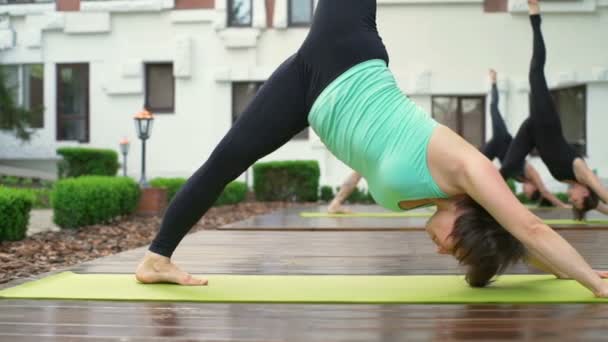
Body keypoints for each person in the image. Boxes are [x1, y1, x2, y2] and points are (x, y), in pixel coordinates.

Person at [135, 0, 608, 298]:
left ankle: (156, 258)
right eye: (457, 250)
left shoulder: (447, 202)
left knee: (223, 163)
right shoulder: (469, 169)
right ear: (468, 223)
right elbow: (528, 225)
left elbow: (519, 243)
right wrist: (592, 282)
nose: (444, 253)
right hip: (349, 54)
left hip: (308, 91)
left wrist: (566, 273)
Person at [500, 1, 608, 220]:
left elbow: (595, 205)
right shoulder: (580, 170)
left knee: (509, 167)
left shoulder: (576, 184)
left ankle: (477, 199)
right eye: (575, 199)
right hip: (546, 121)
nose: (571, 199)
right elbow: (601, 192)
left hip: (534, 132)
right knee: (535, 72)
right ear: (586, 190)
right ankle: (535, 15)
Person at [482, 69, 568, 208]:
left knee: (477, 162)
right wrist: (564, 206)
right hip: (502, 137)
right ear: (534, 188)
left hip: (494, 149)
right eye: (528, 193)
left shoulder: (521, 179)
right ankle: (493, 82)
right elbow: (545, 192)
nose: (524, 192)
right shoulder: (531, 172)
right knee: (493, 107)